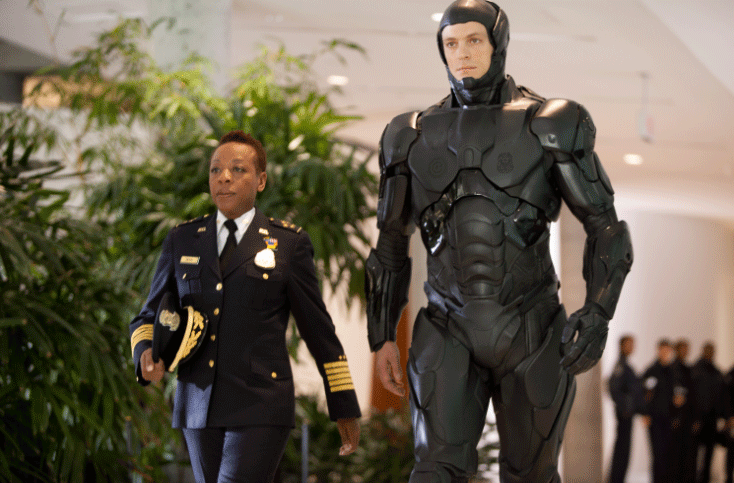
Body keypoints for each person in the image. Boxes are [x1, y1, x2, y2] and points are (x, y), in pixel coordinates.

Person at [364, 1, 633, 481]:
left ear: (498, 44)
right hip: (447, 324)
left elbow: (606, 227)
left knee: (531, 474)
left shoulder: (550, 122)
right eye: (451, 44)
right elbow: (389, 244)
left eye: (474, 40)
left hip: (530, 326)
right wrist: (382, 335)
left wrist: (598, 313)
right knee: (434, 471)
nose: (462, 53)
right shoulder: (410, 135)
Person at [129, 130, 361, 483]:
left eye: (238, 169)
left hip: (260, 405)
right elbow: (149, 314)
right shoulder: (182, 239)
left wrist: (343, 403)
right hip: (198, 404)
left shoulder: (289, 243)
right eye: (216, 169)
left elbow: (318, 331)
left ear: (261, 180)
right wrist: (146, 350)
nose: (224, 177)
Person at [608, 335, 642, 483]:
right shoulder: (621, 366)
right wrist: (625, 406)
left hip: (627, 414)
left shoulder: (625, 365)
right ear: (622, 346)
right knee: (622, 451)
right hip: (624, 415)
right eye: (629, 344)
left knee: (624, 450)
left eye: (632, 344)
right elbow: (613, 388)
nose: (632, 347)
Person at [641, 339, 676, 483]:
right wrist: (645, 414)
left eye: (667, 350)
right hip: (655, 419)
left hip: (670, 419)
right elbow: (644, 394)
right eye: (663, 350)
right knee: (657, 454)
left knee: (670, 453)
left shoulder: (674, 372)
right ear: (658, 350)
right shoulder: (651, 371)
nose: (665, 353)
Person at [690, 342, 725, 483]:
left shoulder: (717, 372)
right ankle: (692, 478)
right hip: (697, 418)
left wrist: (723, 417)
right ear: (703, 351)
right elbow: (692, 397)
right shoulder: (695, 371)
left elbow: (721, 397)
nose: (710, 353)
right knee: (693, 452)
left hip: (712, 418)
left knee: (709, 452)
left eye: (712, 350)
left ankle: (704, 479)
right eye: (708, 350)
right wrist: (694, 418)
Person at [670, 338, 695, 483]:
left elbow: (690, 395)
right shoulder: (673, 369)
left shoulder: (688, 369)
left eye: (687, 348)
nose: (685, 351)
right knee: (676, 454)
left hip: (687, 417)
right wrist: (675, 417)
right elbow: (676, 395)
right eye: (682, 348)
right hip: (676, 418)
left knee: (687, 454)